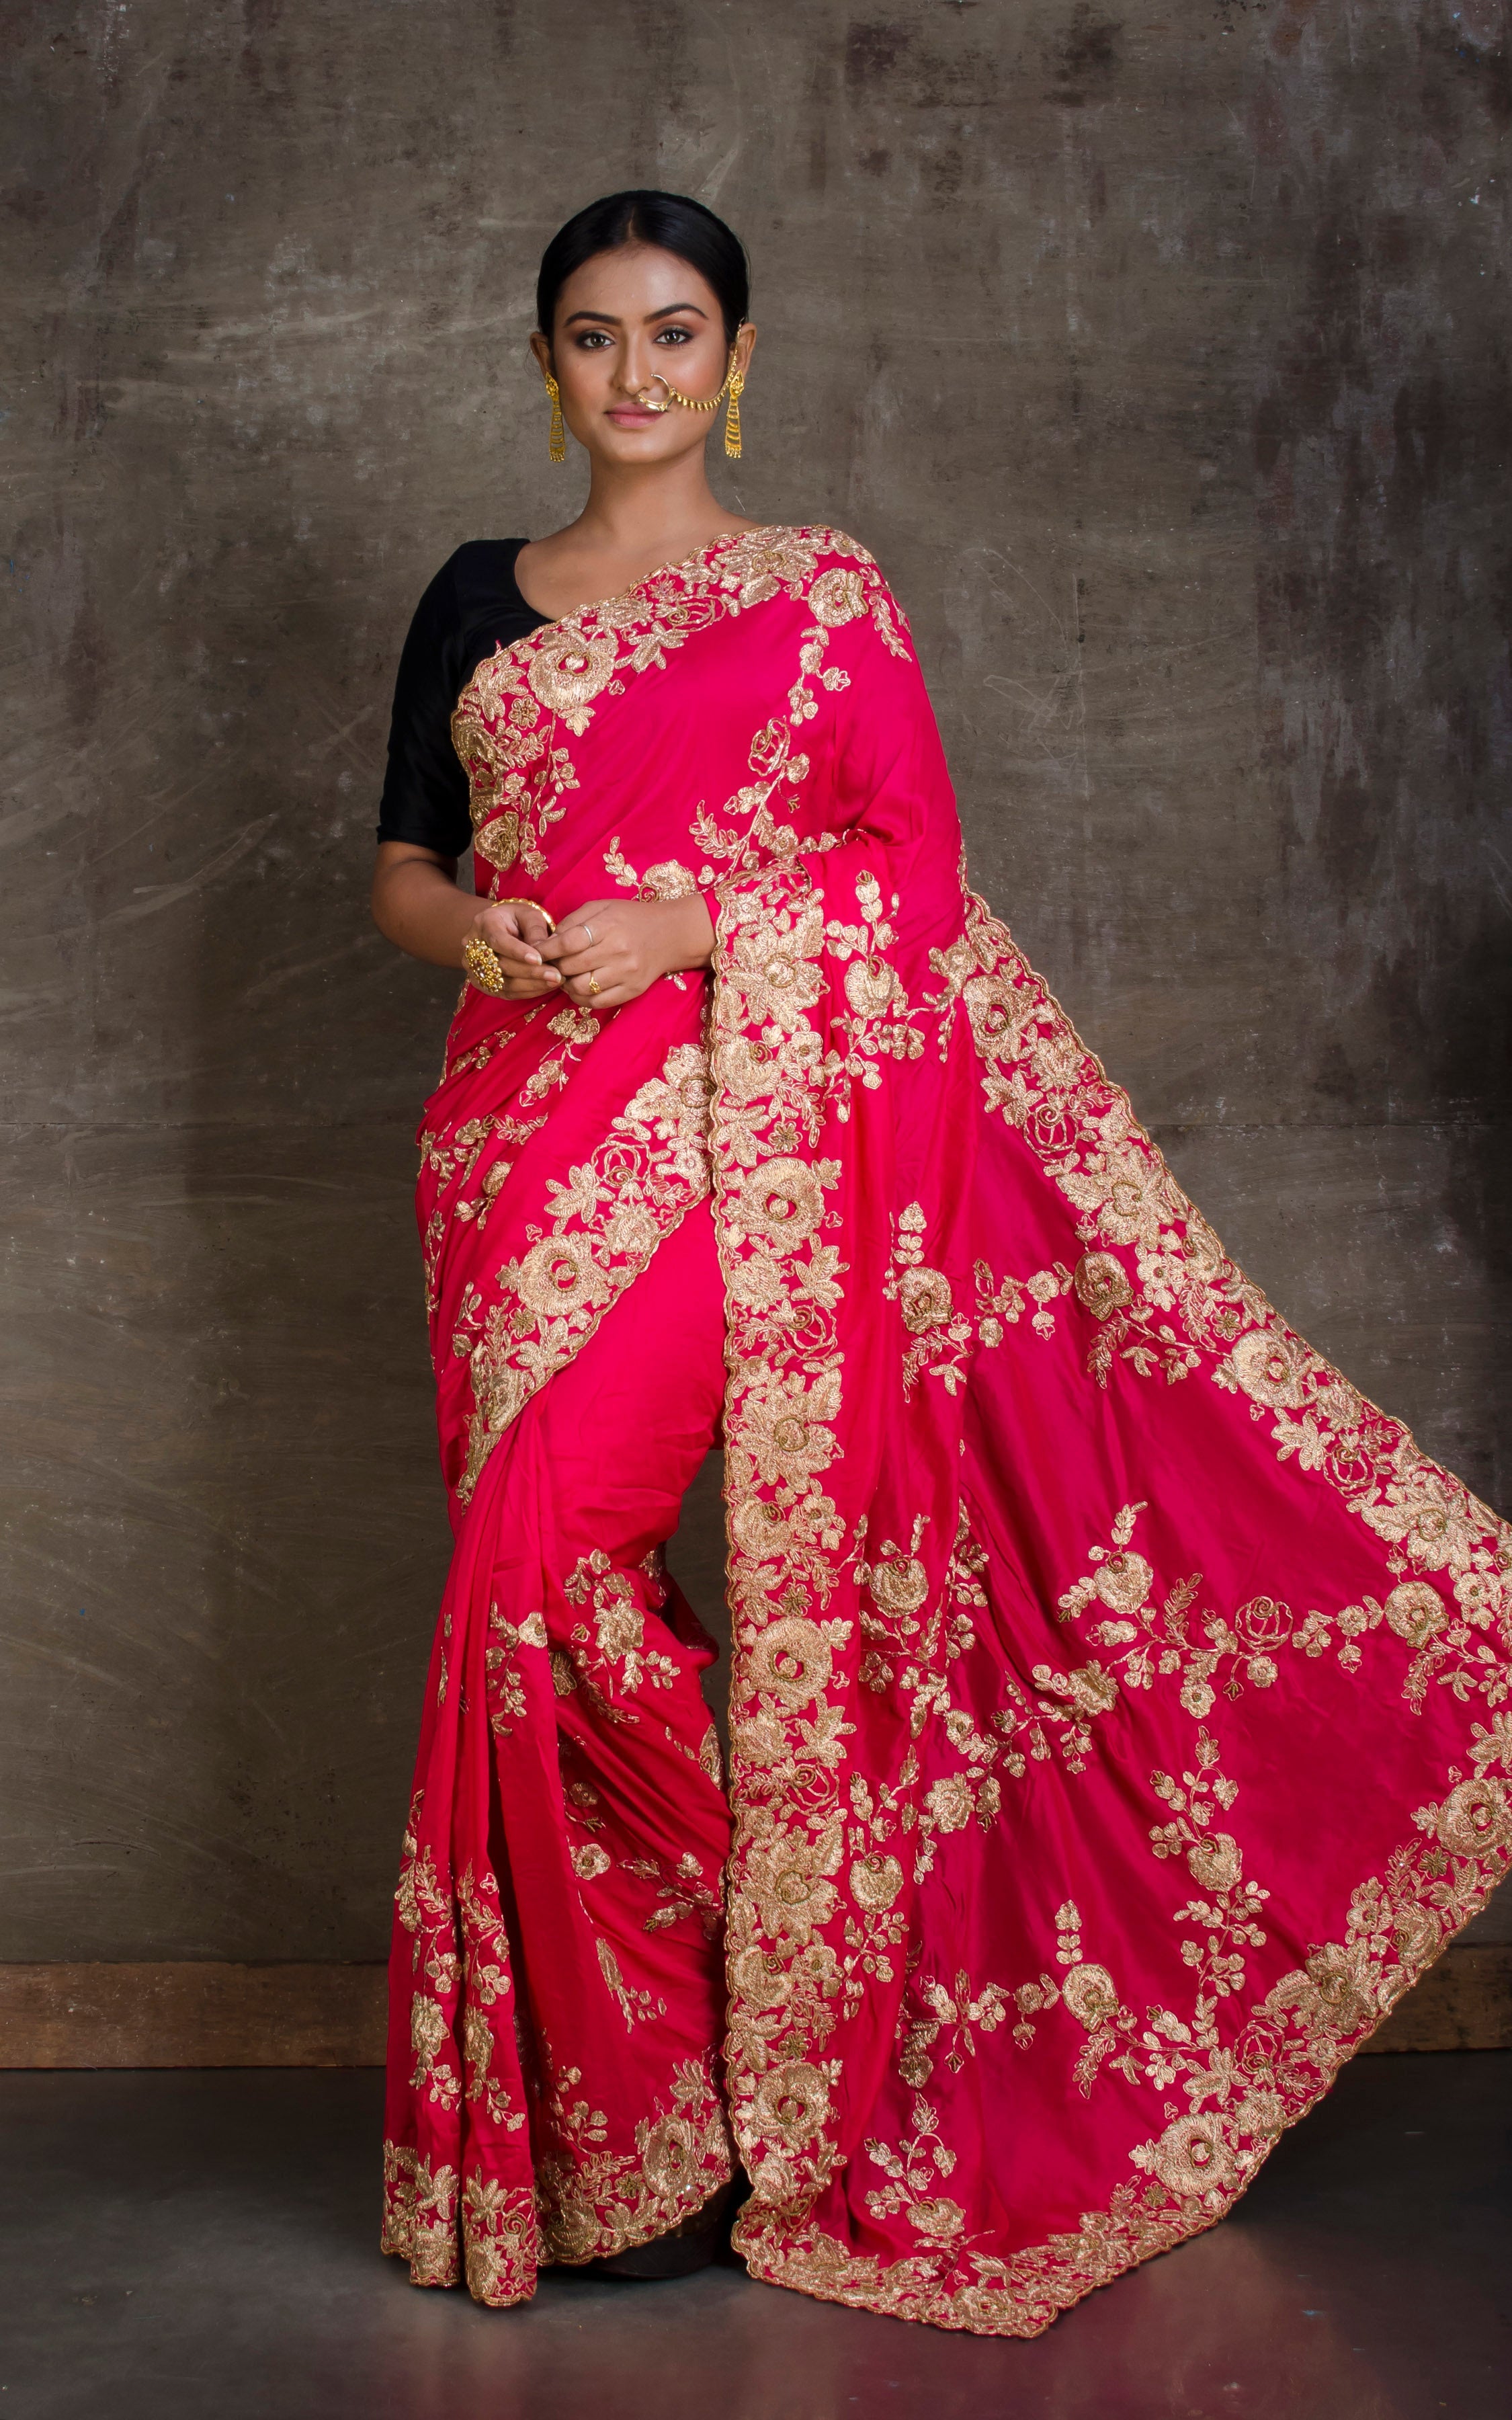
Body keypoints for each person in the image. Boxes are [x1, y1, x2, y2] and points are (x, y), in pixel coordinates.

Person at [370, 189, 1511, 2337]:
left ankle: (748, 2053)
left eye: (675, 333)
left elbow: (906, 871)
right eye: (595, 336)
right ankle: (643, 2121)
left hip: (736, 1147)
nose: (635, 372)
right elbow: (404, 867)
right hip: (510, 1141)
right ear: (544, 365)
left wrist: (693, 925)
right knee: (537, 1603)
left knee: (543, 1562)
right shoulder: (468, 599)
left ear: (737, 362)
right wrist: (489, 935)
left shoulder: (821, 597)